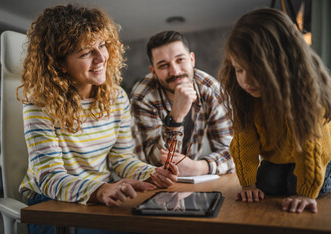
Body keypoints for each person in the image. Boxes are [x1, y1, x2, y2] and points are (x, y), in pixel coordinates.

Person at [17, 4, 184, 234]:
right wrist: (99, 189)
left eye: (102, 45)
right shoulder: (40, 104)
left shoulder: (116, 97)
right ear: (59, 64)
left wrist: (151, 173)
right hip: (51, 208)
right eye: (86, 53)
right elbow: (49, 177)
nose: (101, 58)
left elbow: (121, 159)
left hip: (100, 200)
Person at [218, 8, 331, 214]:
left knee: (302, 185)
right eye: (239, 69)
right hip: (279, 157)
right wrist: (248, 184)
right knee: (267, 185)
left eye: (256, 71)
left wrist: (306, 194)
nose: (246, 81)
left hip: (319, 153)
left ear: (283, 64)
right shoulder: (245, 95)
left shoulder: (306, 93)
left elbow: (312, 147)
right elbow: (245, 141)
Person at [130, 31, 234, 177]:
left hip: (195, 179)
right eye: (163, 65)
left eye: (180, 60)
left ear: (192, 59)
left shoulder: (210, 89)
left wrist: (199, 167)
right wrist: (175, 117)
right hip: (156, 186)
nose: (175, 71)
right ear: (153, 72)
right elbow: (152, 163)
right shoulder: (143, 96)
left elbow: (234, 151)